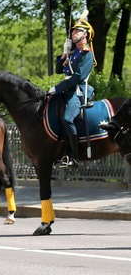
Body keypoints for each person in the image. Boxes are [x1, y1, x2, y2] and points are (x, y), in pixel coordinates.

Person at [49, 16, 97, 168]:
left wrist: (57, 88)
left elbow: (77, 78)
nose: (73, 33)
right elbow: (58, 70)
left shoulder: (86, 55)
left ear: (85, 35)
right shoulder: (73, 53)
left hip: (77, 91)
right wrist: (64, 53)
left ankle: (75, 158)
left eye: (77, 31)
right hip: (66, 89)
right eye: (73, 30)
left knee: (68, 119)